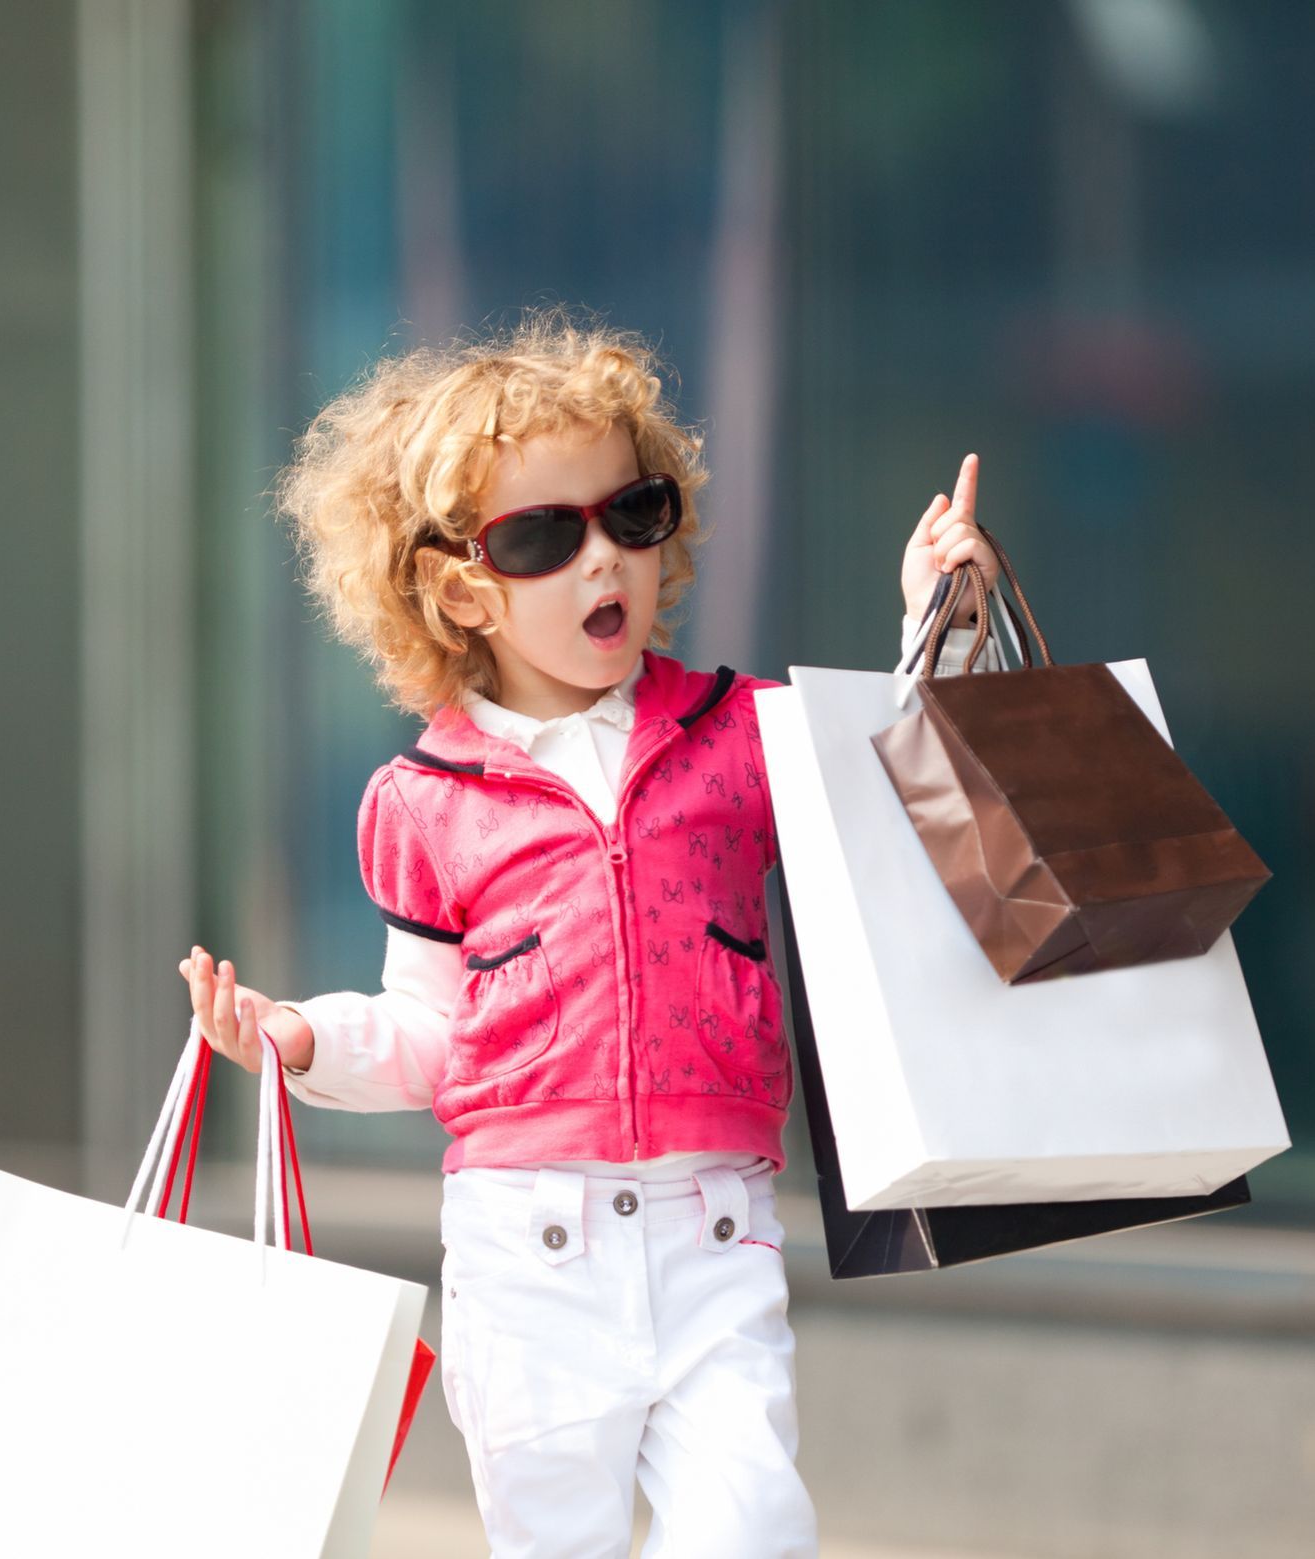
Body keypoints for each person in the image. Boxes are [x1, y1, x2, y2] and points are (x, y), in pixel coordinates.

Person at [178, 306, 1002, 1557]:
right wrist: (292, 1036)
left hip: (715, 1229)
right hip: (529, 1255)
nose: (601, 559)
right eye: (541, 536)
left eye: (634, 514)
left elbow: (899, 791)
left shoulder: (740, 731)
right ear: (461, 586)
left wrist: (929, 621)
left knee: (751, 1532)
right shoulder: (425, 800)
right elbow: (428, 1033)